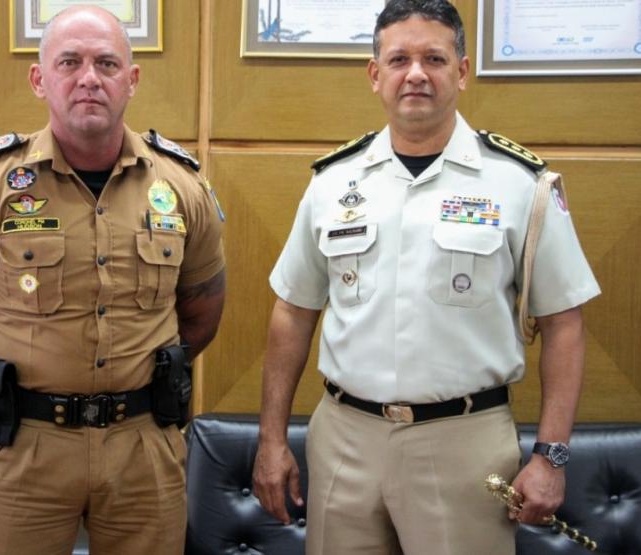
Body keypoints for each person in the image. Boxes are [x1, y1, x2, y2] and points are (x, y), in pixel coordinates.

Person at [251, 1, 600, 553]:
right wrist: (271, 439)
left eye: (434, 58)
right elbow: (293, 311)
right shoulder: (332, 183)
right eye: (399, 59)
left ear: (461, 72)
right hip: (344, 437)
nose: (416, 73)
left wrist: (551, 456)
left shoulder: (518, 184)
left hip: (465, 442)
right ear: (375, 75)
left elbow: (564, 323)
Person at [0, 6, 225, 554]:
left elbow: (202, 312)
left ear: (130, 80)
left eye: (107, 63)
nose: (89, 78)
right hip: (26, 446)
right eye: (70, 62)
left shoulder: (182, 186)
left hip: (143, 448)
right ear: (40, 79)